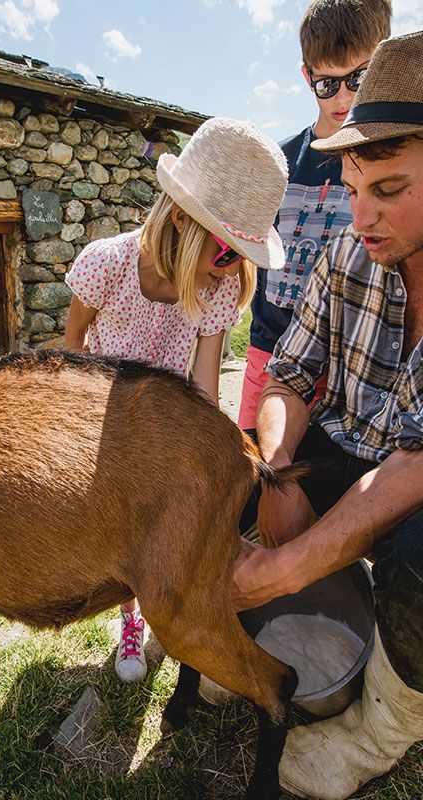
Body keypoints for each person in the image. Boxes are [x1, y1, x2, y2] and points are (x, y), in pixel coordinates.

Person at [233, 31, 423, 800]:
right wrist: (278, 473)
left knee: (420, 560)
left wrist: (288, 566)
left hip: (412, 477)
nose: (361, 215)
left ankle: (382, 728)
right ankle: (241, 643)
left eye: (389, 189)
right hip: (351, 449)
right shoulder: (349, 254)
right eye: (351, 188)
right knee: (234, 478)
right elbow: (286, 376)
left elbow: (414, 464)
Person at [64, 117, 288, 682]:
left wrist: (213, 459)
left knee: (160, 525)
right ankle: (130, 618)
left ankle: (164, 611)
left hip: (165, 424)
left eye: (243, 256)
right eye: (228, 253)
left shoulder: (219, 288)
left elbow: (207, 387)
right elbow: (73, 346)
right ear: (183, 220)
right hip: (103, 416)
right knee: (117, 527)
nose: (232, 270)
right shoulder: (106, 264)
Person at [237, 0, 392, 436]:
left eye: (358, 78)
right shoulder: (279, 162)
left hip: (352, 367)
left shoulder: (392, 165)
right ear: (307, 77)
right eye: (327, 83)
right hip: (270, 353)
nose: (343, 97)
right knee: (253, 465)